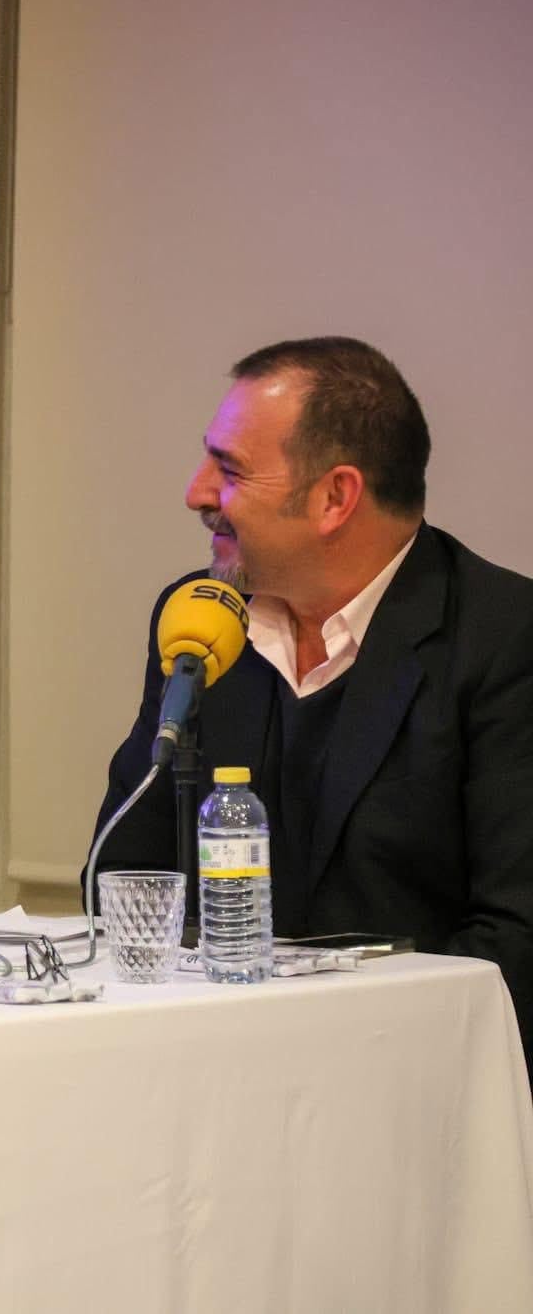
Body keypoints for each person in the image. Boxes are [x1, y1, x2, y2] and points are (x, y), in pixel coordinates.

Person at [91, 336, 533, 1052]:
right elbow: (125, 877)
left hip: (418, 1081)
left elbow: (515, 940)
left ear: (335, 497)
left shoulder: (503, 639)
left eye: (230, 469)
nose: (196, 492)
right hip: (206, 1066)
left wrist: (327, 1047)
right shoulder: (200, 622)